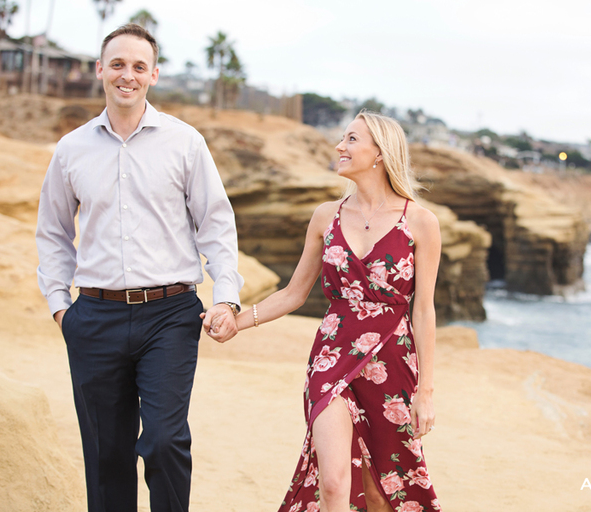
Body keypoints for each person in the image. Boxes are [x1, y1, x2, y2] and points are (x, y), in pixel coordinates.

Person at [35, 24, 242, 512]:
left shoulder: (185, 142)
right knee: (106, 454)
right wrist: (62, 309)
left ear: (153, 75)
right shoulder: (71, 149)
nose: (127, 75)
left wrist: (226, 297)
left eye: (138, 66)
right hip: (94, 317)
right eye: (118, 64)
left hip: (170, 314)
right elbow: (53, 233)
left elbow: (216, 224)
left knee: (165, 441)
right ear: (100, 70)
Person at [214, 111, 442, 511]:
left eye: (352, 139)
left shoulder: (421, 222)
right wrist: (237, 321)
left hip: (391, 363)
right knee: (334, 483)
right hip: (332, 358)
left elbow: (423, 311)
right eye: (343, 138)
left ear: (379, 152)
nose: (340, 146)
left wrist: (426, 393)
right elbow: (293, 293)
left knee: (382, 490)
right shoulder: (326, 215)